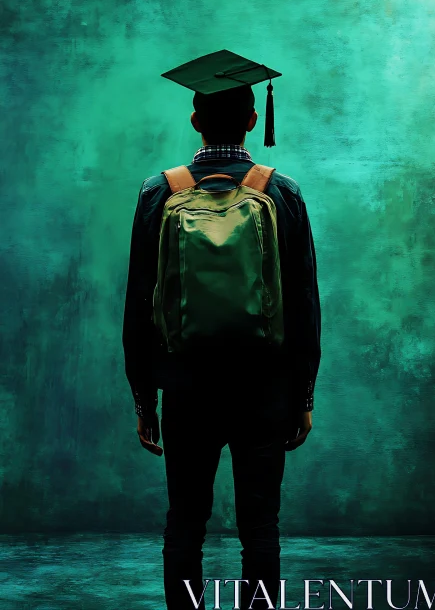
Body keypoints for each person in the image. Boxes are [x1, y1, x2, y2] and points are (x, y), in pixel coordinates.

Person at [122, 50, 321, 610]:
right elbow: (305, 301)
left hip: (185, 386)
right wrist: (303, 392)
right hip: (265, 385)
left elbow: (139, 302)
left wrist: (144, 396)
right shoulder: (280, 191)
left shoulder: (159, 192)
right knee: (260, 523)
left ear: (194, 120)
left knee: (185, 519)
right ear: (254, 120)